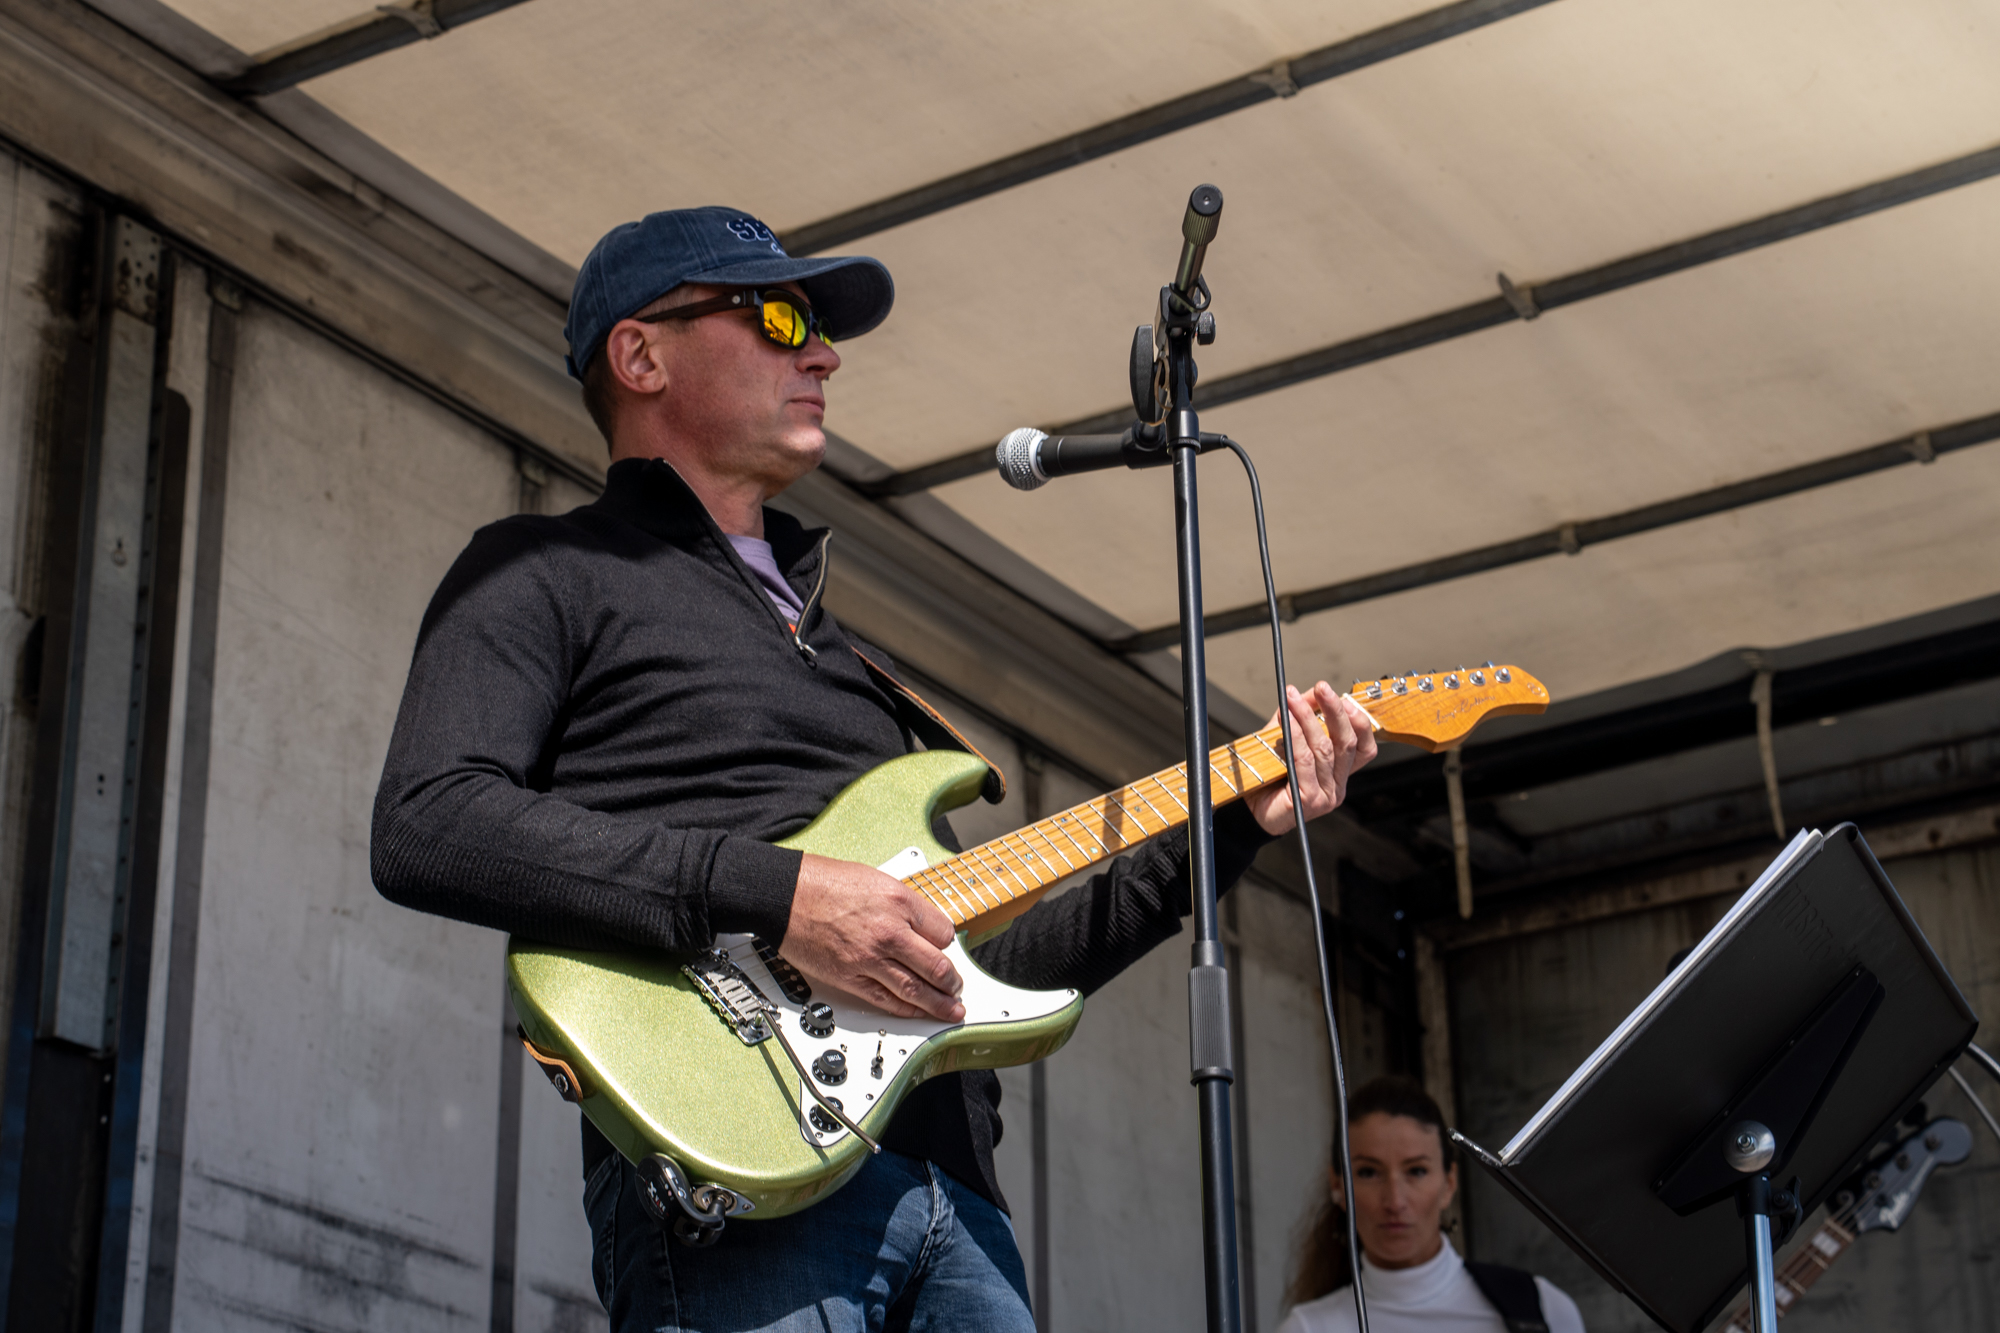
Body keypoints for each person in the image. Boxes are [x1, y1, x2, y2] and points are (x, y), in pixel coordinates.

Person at [370, 206, 1379, 1332]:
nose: (823, 355)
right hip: (740, 1184)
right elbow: (429, 823)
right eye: (778, 319)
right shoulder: (543, 569)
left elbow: (976, 974)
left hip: (959, 1202)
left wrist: (1231, 826)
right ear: (641, 354)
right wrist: (783, 895)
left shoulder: (854, 665)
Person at [1279, 1077, 1586, 1333]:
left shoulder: (1542, 1309)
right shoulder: (1308, 1328)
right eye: (1368, 1172)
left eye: (1416, 1171)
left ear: (1448, 1183)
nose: (1395, 1201)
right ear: (1338, 1186)